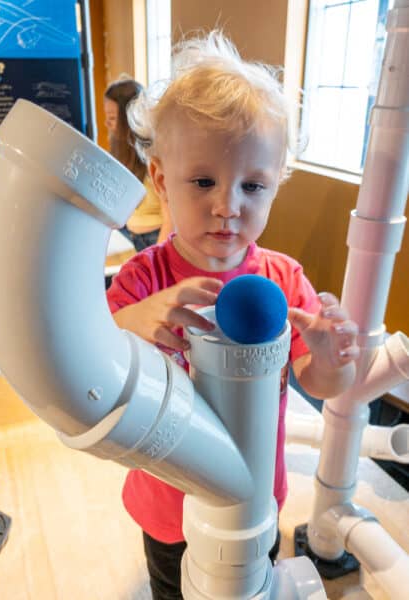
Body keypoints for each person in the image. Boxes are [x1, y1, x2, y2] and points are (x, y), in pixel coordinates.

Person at [107, 32, 359, 599]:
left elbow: (320, 382)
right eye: (203, 182)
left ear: (275, 186)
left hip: (253, 498)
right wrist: (134, 320)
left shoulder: (284, 280)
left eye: (253, 185)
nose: (228, 205)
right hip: (170, 506)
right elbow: (89, 360)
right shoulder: (141, 279)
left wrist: (331, 358)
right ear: (161, 178)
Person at [104, 78, 173, 251]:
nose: (107, 124)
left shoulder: (153, 155)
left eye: (112, 118)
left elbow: (171, 218)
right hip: (131, 236)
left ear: (129, 119)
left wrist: (159, 256)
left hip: (155, 238)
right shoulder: (122, 153)